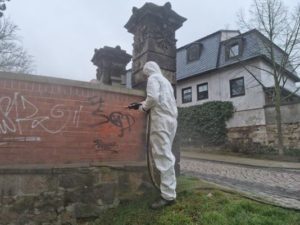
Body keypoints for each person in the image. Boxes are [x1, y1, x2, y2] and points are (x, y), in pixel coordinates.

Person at [130, 61, 178, 210]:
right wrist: (140, 104)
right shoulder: (166, 82)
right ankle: (170, 189)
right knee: (167, 154)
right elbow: (160, 99)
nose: (145, 77)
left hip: (161, 121)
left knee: (163, 156)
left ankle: (168, 196)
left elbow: (153, 98)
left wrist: (143, 107)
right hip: (171, 120)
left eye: (145, 74)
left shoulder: (152, 79)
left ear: (148, 71)